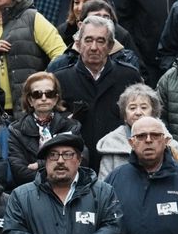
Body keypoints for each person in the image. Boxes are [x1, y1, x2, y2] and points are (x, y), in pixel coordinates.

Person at [54, 17, 140, 170]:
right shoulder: (61, 80)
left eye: (101, 41)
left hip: (119, 163)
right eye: (88, 40)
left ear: (110, 46)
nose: (94, 47)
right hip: (75, 165)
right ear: (78, 44)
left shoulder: (128, 76)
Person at [7, 72, 82, 187]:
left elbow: (81, 161)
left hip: (67, 188)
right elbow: (19, 173)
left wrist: (40, 164)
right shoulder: (16, 130)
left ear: (56, 99)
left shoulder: (71, 126)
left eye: (49, 94)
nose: (43, 98)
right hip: (32, 192)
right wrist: (58, 169)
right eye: (37, 94)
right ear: (30, 100)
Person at [97, 83, 178, 178]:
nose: (138, 113)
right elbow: (105, 187)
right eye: (132, 108)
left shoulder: (171, 145)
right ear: (124, 115)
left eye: (144, 107)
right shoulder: (111, 145)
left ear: (153, 113)